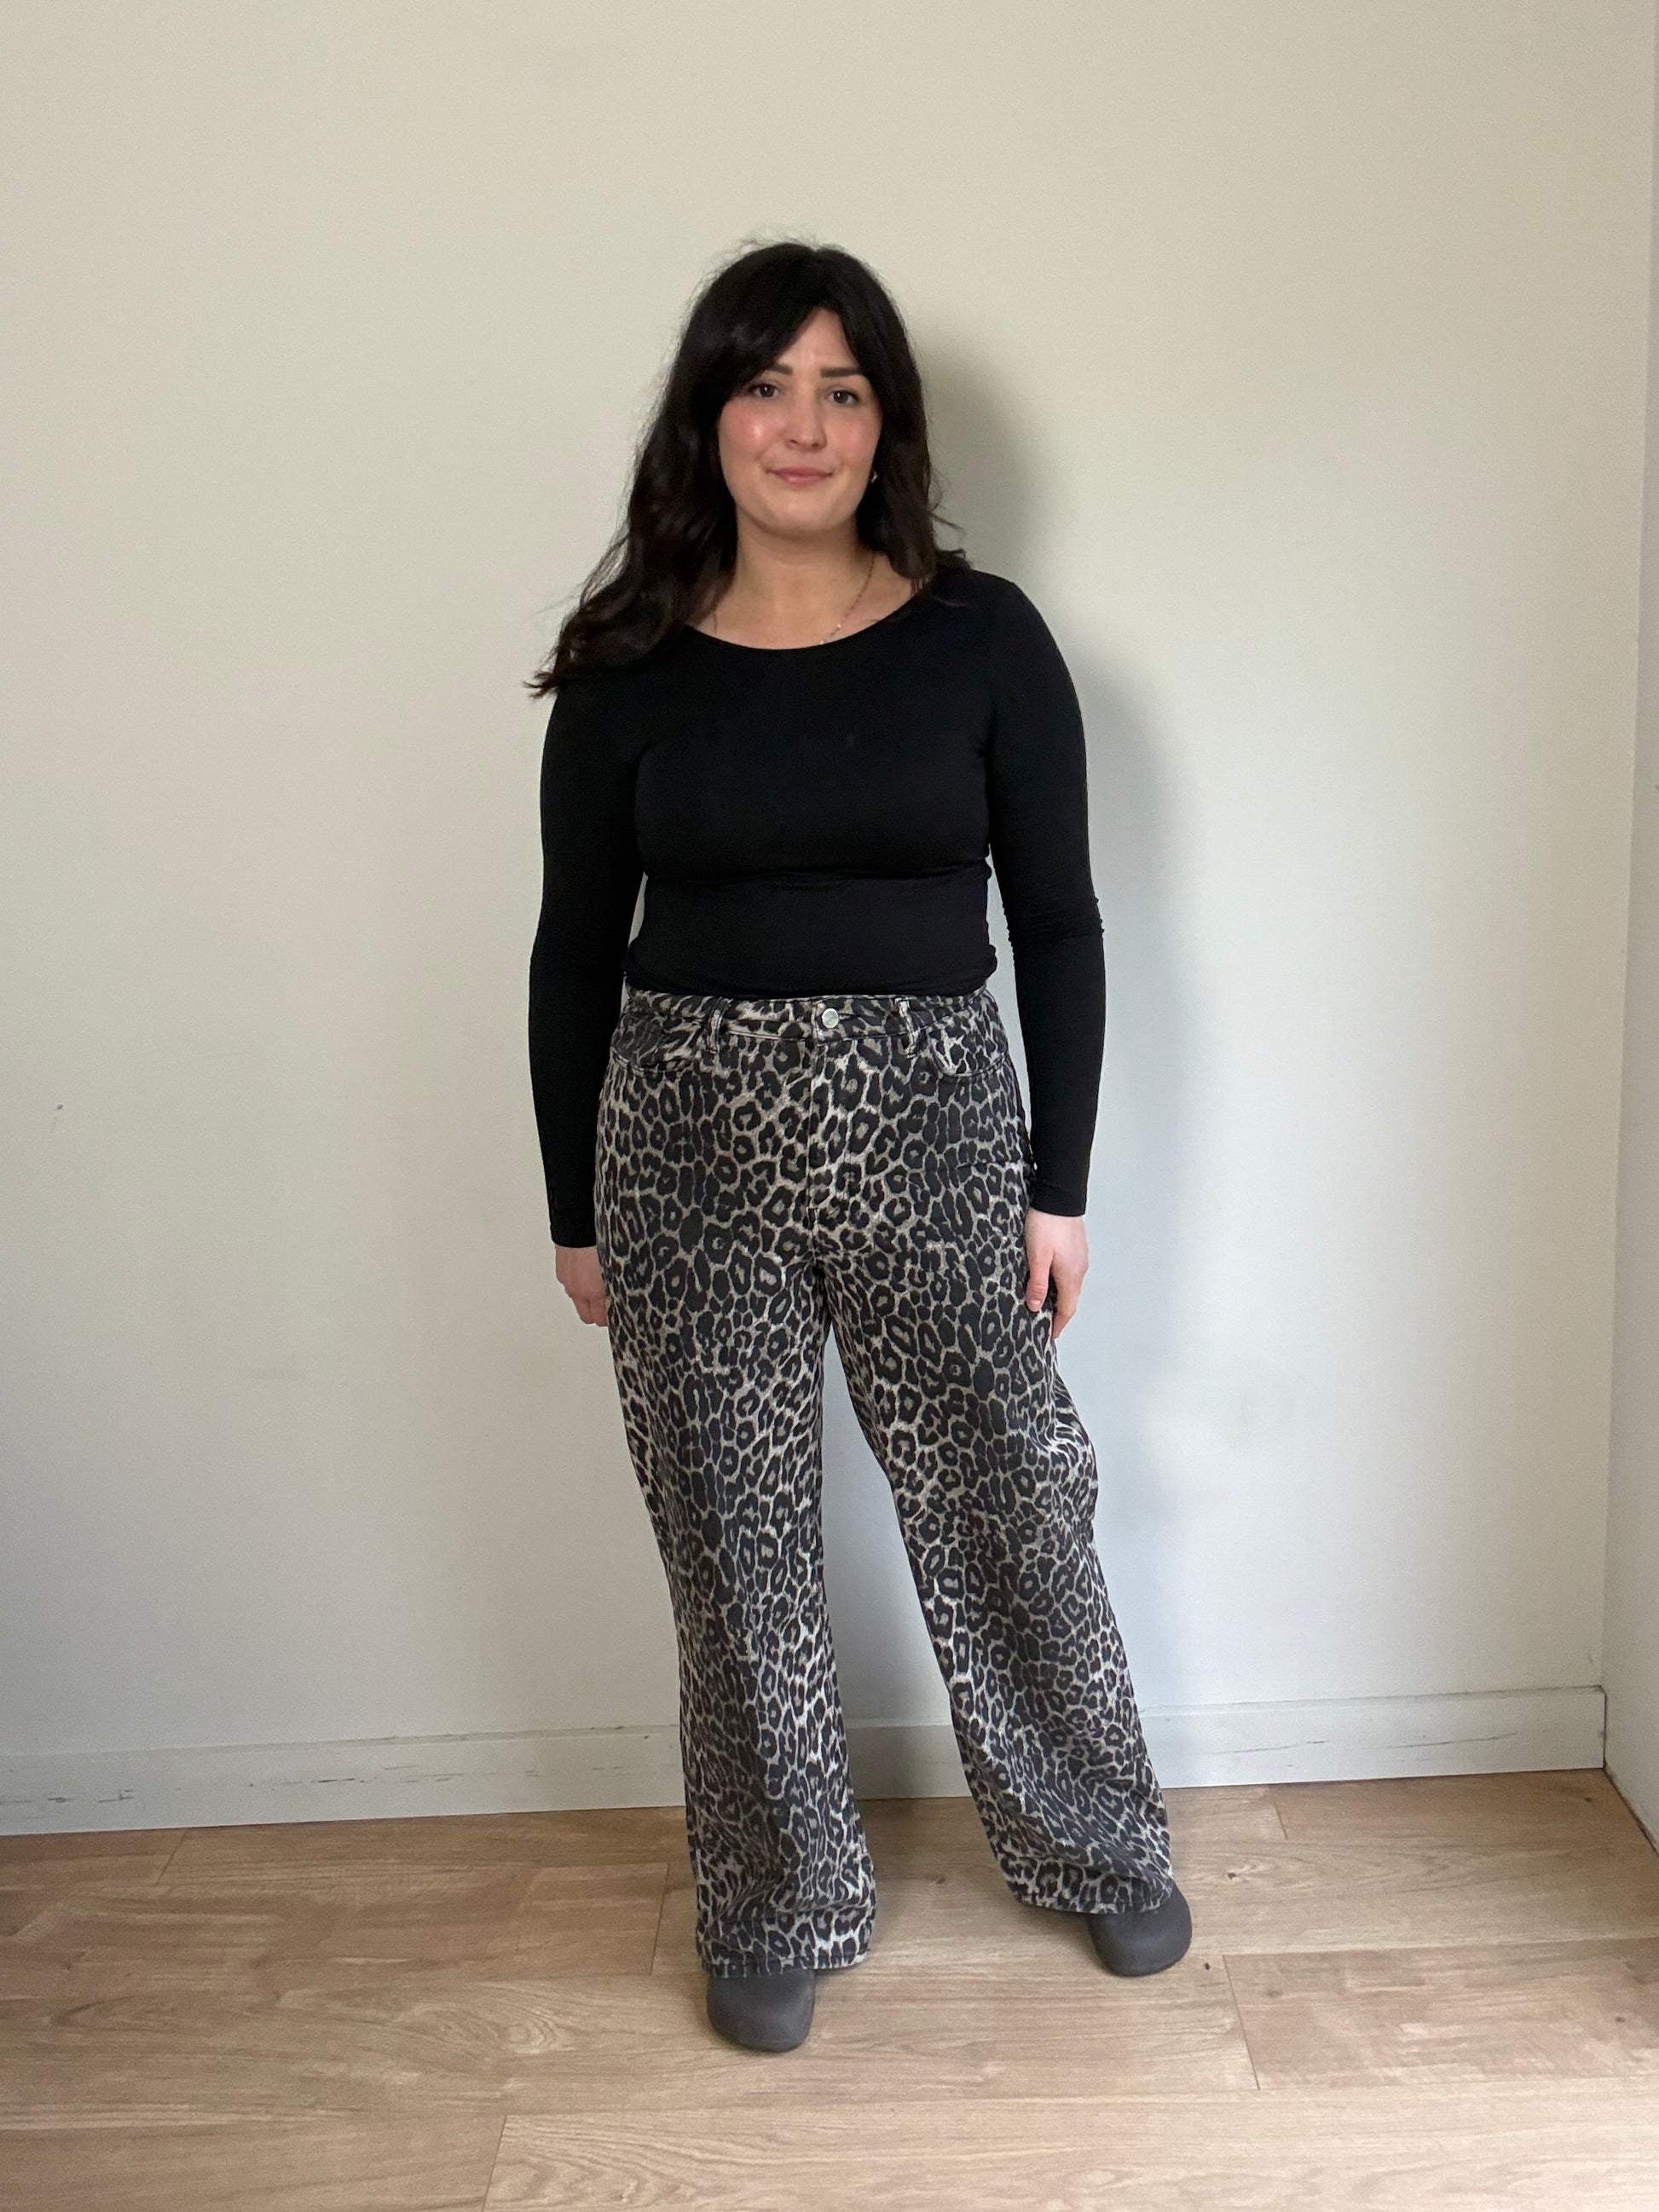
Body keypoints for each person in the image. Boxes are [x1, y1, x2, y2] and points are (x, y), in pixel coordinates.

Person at [525, 239, 1191, 2053]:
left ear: (885, 422)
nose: (801, 426)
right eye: (764, 386)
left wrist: (1059, 1184)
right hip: (683, 1151)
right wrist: (575, 1209)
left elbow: (1059, 923)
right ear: (709, 416)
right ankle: (776, 1893)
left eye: (840, 388)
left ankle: (1094, 1834)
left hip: (938, 1128)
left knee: (1009, 1496)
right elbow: (572, 947)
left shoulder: (984, 639)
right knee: (731, 1534)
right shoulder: (629, 665)